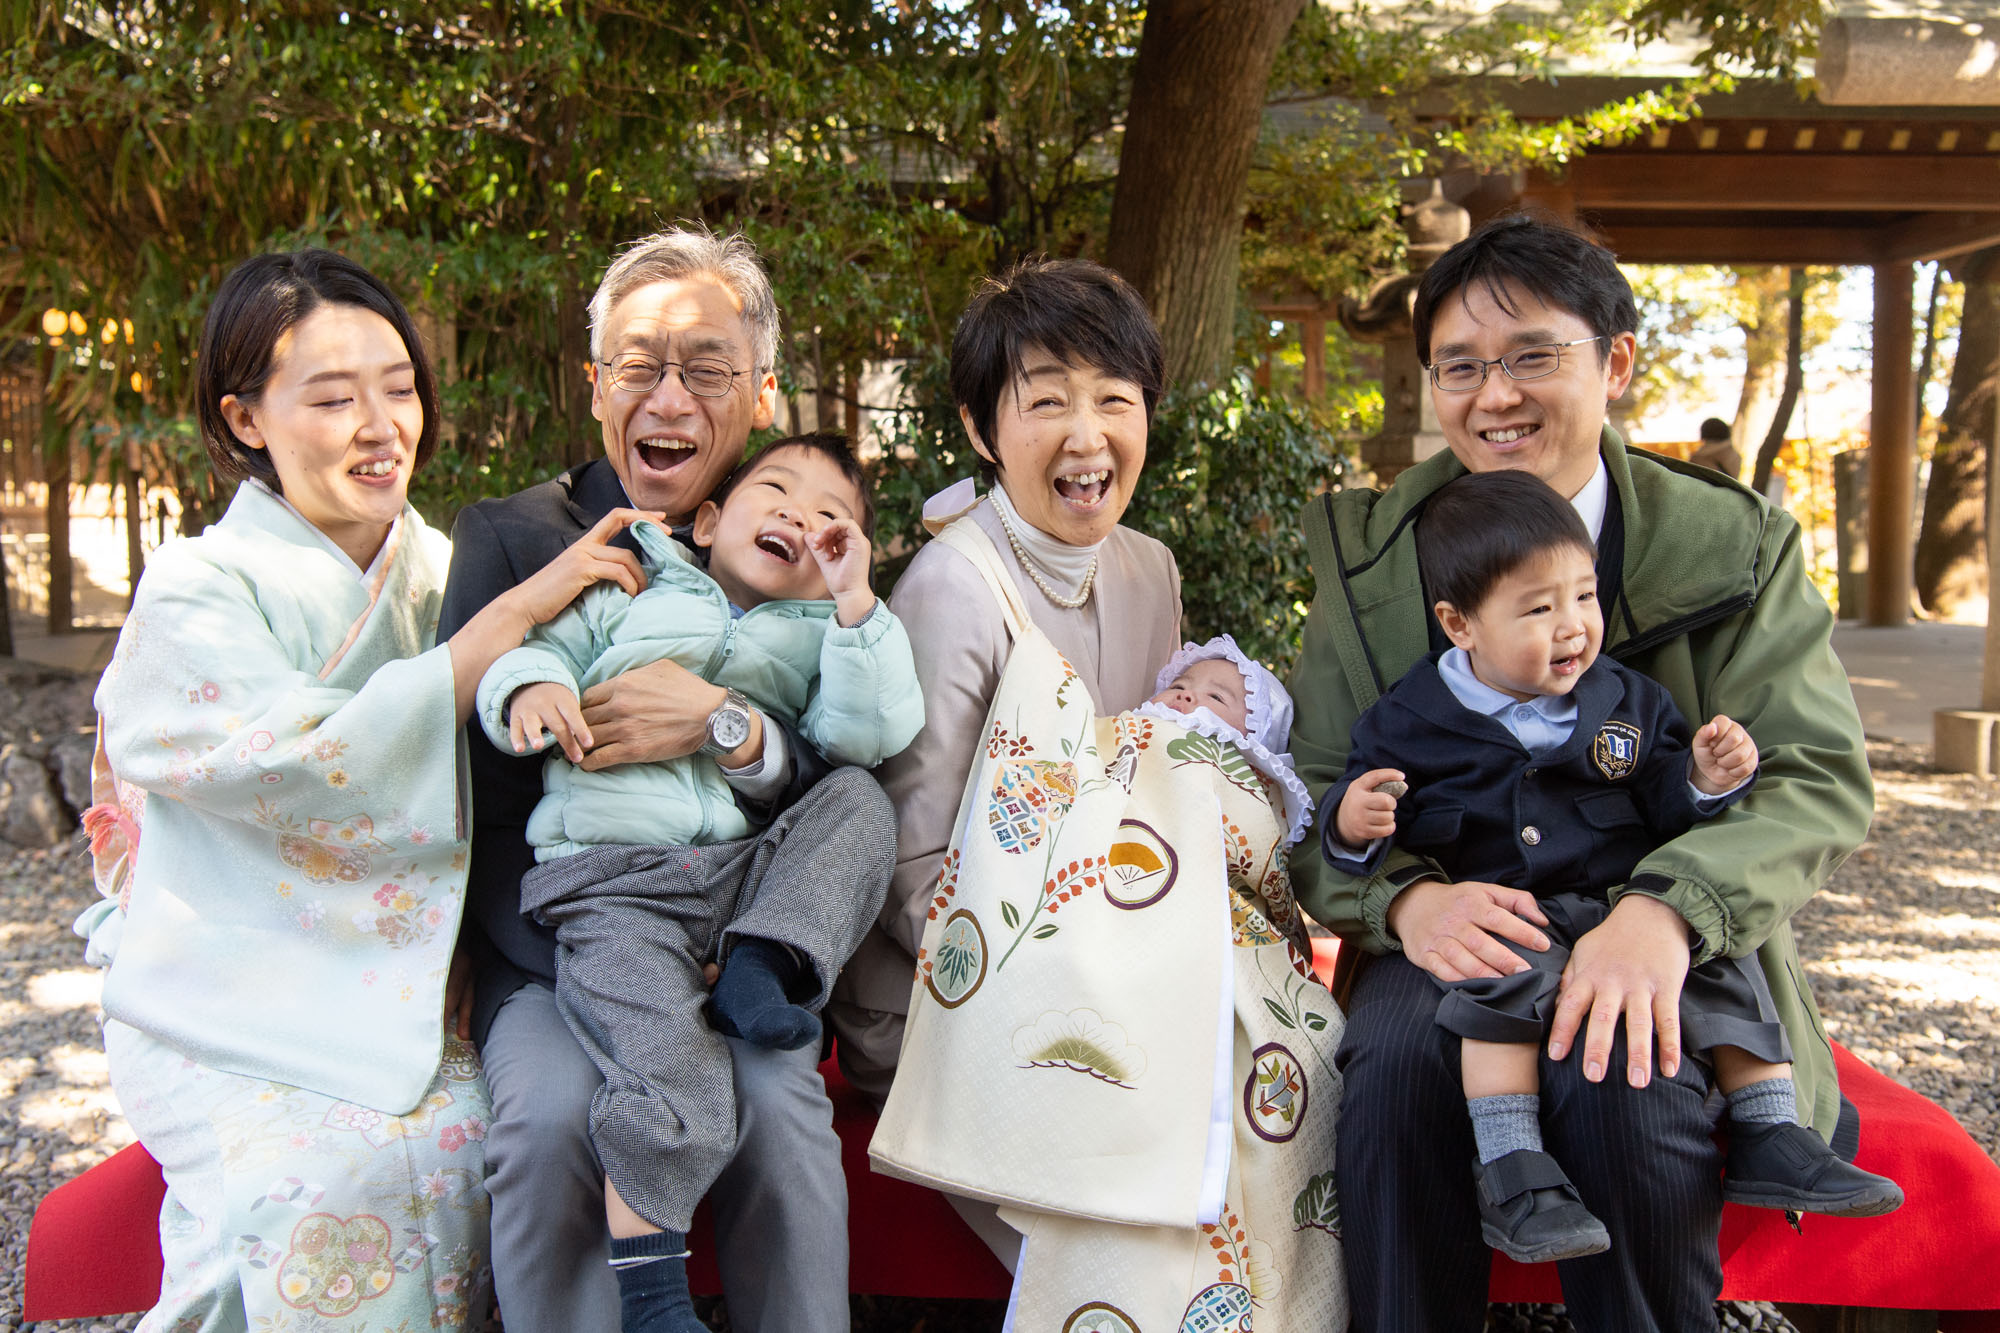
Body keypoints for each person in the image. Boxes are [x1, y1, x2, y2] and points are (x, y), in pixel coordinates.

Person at [1288, 212, 1875, 1333]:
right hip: (1465, 909)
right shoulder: (1371, 559)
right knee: (1400, 1054)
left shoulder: (1733, 543)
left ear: (1613, 362)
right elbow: (1316, 784)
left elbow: (1811, 777)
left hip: (1657, 919)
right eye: (1459, 366)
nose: (1491, 394)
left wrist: (1665, 913)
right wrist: (1402, 898)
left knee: (1626, 1062)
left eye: (1528, 356)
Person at [78, 249, 653, 1331]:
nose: (382, 425)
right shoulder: (199, 583)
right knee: (323, 1184)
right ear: (246, 418)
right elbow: (280, 759)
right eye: (333, 398)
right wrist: (484, 642)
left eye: (398, 389)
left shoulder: (442, 564)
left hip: (408, 983)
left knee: (465, 1143)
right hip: (228, 988)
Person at [845, 260, 1346, 1330]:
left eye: (1113, 399)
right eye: (1047, 400)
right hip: (959, 994)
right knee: (1144, 1210)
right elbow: (910, 863)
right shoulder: (949, 587)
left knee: (1282, 1101)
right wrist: (1108, 978)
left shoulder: (1147, 568)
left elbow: (1156, 775)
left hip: (1133, 954)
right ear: (982, 428)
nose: (1087, 434)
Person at [439, 228, 885, 1333]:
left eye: (705, 367)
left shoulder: (798, 544)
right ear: (595, 387)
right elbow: (477, 818)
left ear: (764, 394)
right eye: (638, 364)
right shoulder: (516, 539)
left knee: (779, 1111)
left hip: (735, 936)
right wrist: (616, 957)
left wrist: (729, 723)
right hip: (557, 933)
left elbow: (846, 771)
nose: (668, 396)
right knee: (548, 1121)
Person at [1325, 470, 1901, 1265]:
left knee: (1722, 963)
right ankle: (1514, 1168)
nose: (1573, 629)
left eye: (1585, 597)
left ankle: (1772, 1128)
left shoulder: (1624, 700)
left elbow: (1659, 793)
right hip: (1510, 911)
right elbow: (1351, 807)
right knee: (1493, 993)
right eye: (1537, 608)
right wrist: (1357, 824)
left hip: (1615, 902)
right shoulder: (1410, 718)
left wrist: (1700, 778)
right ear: (1458, 623)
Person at [475, 432, 922, 1332]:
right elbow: (535, 651)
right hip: (613, 884)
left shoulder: (819, 639)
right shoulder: (628, 581)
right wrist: (527, 691)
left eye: (831, 514)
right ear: (708, 520)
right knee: (665, 1083)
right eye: (779, 491)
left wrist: (852, 607)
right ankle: (654, 1298)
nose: (803, 514)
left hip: (734, 891)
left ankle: (768, 959)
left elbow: (866, 737)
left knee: (861, 803)